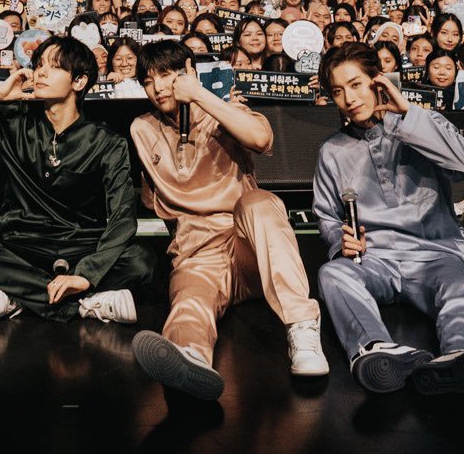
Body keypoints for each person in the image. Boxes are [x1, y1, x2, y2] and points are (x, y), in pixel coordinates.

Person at [128, 40, 327, 401]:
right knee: (188, 304)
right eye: (147, 81)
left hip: (248, 248)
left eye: (167, 76)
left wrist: (202, 97)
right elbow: (153, 202)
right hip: (199, 255)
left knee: (260, 203)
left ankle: (303, 330)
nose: (157, 88)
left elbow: (262, 138)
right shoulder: (141, 129)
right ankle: (191, 359)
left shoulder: (223, 109)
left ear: (189, 71)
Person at [313, 42, 464, 393]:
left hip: (436, 254)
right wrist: (339, 242)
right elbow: (328, 216)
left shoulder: (422, 122)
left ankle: (462, 356)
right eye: (338, 91)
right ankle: (377, 349)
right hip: (374, 260)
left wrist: (407, 113)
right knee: (332, 274)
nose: (349, 98)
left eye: (356, 84)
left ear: (379, 80)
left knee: (463, 286)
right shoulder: (331, 150)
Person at [0, 35, 155, 323]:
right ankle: (85, 306)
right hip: (25, 246)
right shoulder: (11, 123)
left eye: (54, 67)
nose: (41, 73)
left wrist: (86, 274)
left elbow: (123, 216)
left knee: (141, 260)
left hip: (84, 245)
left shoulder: (107, 142)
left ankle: (22, 294)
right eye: (39, 65)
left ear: (79, 81)